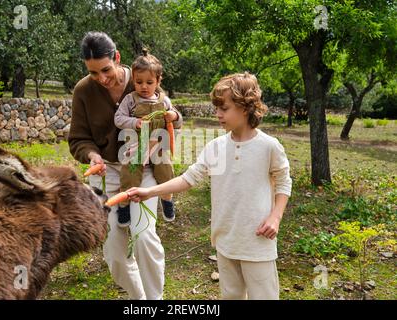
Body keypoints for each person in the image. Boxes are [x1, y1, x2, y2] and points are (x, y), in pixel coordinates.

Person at [128, 72, 292, 300]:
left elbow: (284, 182)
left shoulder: (269, 146)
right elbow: (189, 178)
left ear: (245, 107)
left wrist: (275, 217)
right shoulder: (215, 147)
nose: (218, 115)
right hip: (225, 241)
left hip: (257, 242)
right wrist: (149, 192)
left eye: (224, 109)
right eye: (217, 108)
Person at [68, 31, 183, 300]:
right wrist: (92, 156)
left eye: (106, 70)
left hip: (143, 168)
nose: (102, 79)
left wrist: (158, 142)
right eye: (94, 73)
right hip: (106, 172)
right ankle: (138, 298)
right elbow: (78, 139)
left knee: (144, 237)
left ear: (117, 58)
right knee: (114, 252)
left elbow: (171, 120)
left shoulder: (143, 77)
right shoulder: (83, 91)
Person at [114, 48, 177, 228]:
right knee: (129, 173)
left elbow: (175, 120)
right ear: (133, 79)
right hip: (137, 145)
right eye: (139, 81)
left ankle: (167, 200)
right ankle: (124, 204)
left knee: (166, 171)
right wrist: (134, 122)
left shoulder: (164, 101)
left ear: (158, 80)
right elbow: (118, 119)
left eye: (149, 82)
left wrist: (173, 117)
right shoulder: (130, 100)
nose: (144, 86)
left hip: (158, 144)